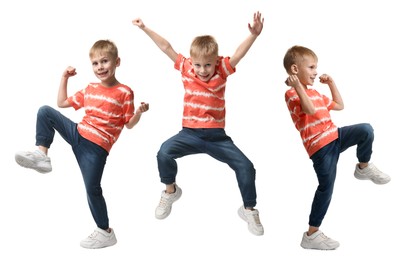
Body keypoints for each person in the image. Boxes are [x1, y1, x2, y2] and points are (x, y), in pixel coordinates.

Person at [132, 12, 264, 236]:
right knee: (164, 152)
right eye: (198, 65)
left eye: (207, 65)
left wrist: (254, 36)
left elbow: (238, 55)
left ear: (216, 61)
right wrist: (145, 28)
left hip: (217, 137)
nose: (202, 70)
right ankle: (170, 191)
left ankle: (249, 209)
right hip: (190, 134)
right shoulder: (186, 68)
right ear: (191, 62)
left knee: (246, 166)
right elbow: (166, 47)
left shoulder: (222, 70)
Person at [15, 39, 149, 249]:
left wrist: (139, 113)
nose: (100, 67)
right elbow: (61, 103)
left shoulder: (125, 92)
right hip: (78, 132)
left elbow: (129, 124)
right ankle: (42, 154)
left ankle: (105, 232)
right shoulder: (90, 88)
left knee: (92, 189)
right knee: (45, 111)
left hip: (96, 148)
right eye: (95, 63)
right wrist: (64, 77)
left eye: (105, 61)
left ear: (117, 62)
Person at [283, 45, 391, 250]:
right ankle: (311, 235)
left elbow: (339, 106)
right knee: (326, 188)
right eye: (312, 67)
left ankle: (363, 167)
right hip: (320, 148)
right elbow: (310, 109)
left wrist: (331, 83)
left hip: (336, 135)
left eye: (316, 67)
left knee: (365, 130)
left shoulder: (315, 92)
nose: (316, 72)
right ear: (295, 69)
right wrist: (298, 87)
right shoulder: (291, 94)